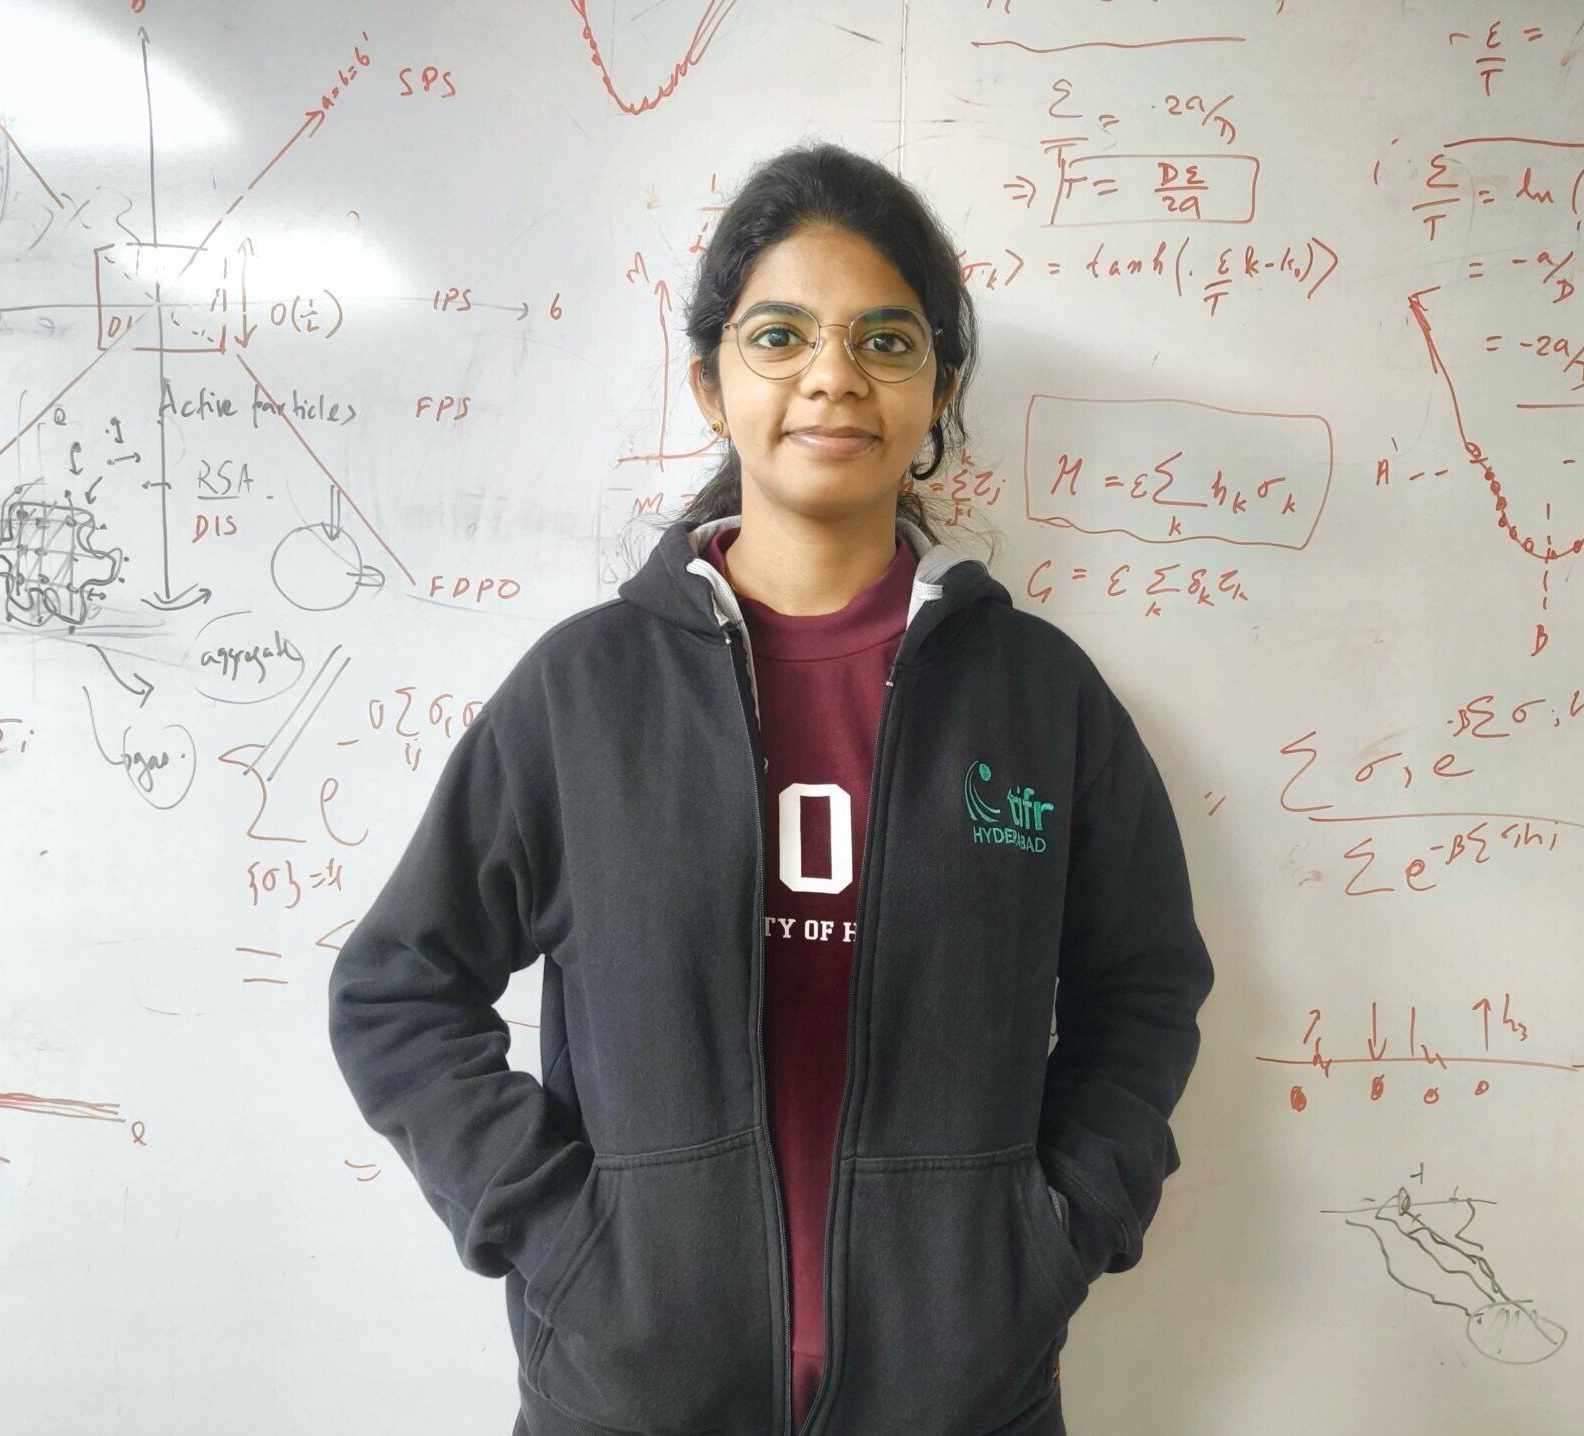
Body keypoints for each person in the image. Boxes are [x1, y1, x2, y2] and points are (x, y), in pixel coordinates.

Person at [327, 141, 1215, 1436]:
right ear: (710, 380)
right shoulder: (584, 694)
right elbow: (396, 989)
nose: (833, 378)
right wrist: (565, 1240)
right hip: (630, 1404)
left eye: (887, 342)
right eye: (781, 334)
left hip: (965, 1402)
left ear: (939, 391)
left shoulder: (1040, 701)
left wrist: (1056, 1232)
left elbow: (1143, 987)